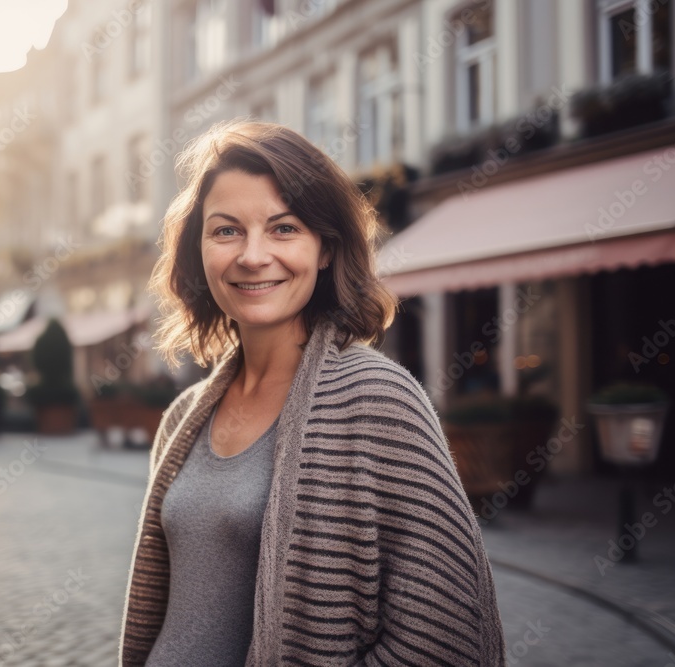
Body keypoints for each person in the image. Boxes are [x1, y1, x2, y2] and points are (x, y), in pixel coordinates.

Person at [119, 121, 506, 666]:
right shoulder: (184, 415)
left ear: (325, 249)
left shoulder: (380, 400)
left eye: (283, 228)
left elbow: (445, 637)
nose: (252, 256)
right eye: (226, 231)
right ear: (199, 251)